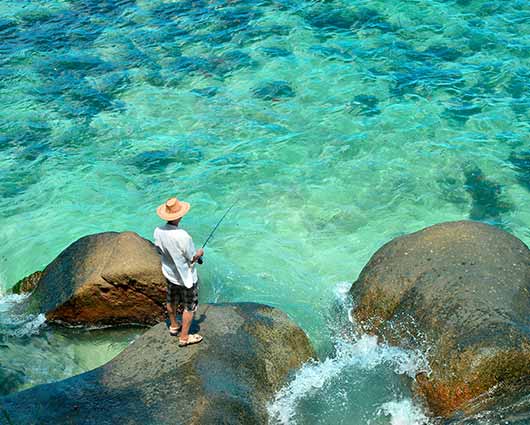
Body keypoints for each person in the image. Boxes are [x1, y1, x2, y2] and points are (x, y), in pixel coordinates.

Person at [154, 197, 204, 347]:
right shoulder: (183, 236)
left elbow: (158, 250)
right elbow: (191, 258)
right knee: (190, 307)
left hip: (170, 274)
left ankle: (174, 325)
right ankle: (184, 337)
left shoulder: (158, 231)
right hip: (186, 278)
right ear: (180, 215)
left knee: (171, 300)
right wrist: (200, 253)